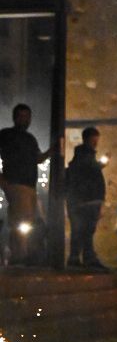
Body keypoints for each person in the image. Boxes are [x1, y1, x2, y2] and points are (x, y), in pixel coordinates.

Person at [0, 104, 50, 265]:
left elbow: (38, 159)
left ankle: (22, 254)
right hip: (16, 183)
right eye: (21, 116)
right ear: (15, 117)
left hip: (29, 185)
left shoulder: (30, 139)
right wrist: (2, 180)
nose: (25, 120)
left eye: (27, 116)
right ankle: (19, 256)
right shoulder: (6, 135)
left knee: (26, 220)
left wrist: (52, 150)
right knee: (22, 221)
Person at [65, 127, 107, 270]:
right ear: (88, 139)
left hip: (81, 201)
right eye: (94, 140)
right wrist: (100, 165)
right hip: (86, 201)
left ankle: (75, 257)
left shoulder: (81, 158)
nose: (95, 143)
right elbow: (88, 172)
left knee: (80, 230)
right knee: (86, 229)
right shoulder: (86, 157)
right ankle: (87, 258)